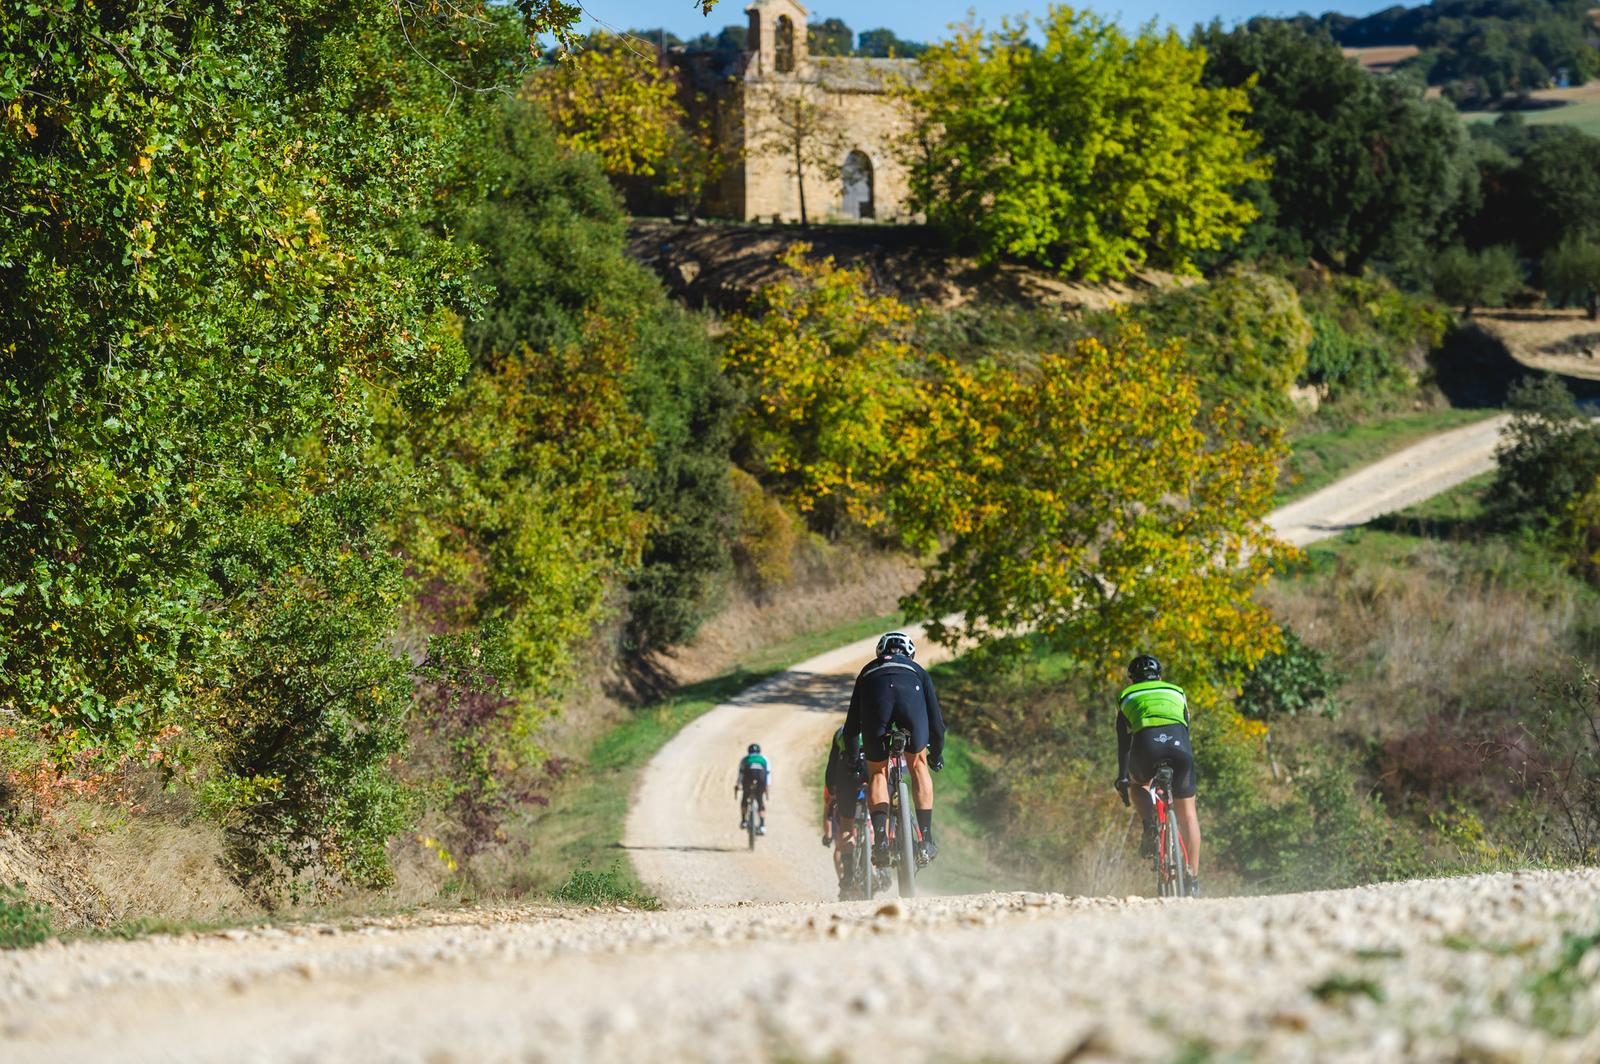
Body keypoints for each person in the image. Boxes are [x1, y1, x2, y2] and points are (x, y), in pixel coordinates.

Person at [843, 630, 945, 869]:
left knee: (877, 772)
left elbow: (850, 728)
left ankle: (880, 842)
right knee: (918, 764)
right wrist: (936, 755)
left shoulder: (867, 671)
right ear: (910, 653)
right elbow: (937, 725)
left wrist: (853, 762)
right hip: (911, 704)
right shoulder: (918, 671)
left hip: (877, 704)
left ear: (881, 651)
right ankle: (926, 840)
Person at [1114, 654, 1202, 897]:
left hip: (1146, 750)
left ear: (1132, 679)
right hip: (1181, 751)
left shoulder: (1126, 696)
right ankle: (1192, 879)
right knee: (1189, 815)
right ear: (1160, 676)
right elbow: (1186, 728)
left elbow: (1124, 742)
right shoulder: (1177, 691)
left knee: (1137, 785)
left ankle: (1150, 825)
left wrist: (1122, 777)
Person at [822, 725, 868, 899]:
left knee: (846, 824)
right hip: (870, 766)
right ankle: (882, 846)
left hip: (846, 772)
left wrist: (832, 789)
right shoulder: (879, 721)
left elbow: (832, 765)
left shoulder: (841, 731)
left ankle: (848, 874)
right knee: (881, 810)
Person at [736, 742, 770, 834]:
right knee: (760, 801)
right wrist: (767, 787)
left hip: (748, 780)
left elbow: (741, 774)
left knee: (744, 799)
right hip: (761, 780)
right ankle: (762, 826)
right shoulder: (764, 759)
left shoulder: (745, 759)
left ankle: (744, 821)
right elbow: (767, 774)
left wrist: (738, 785)